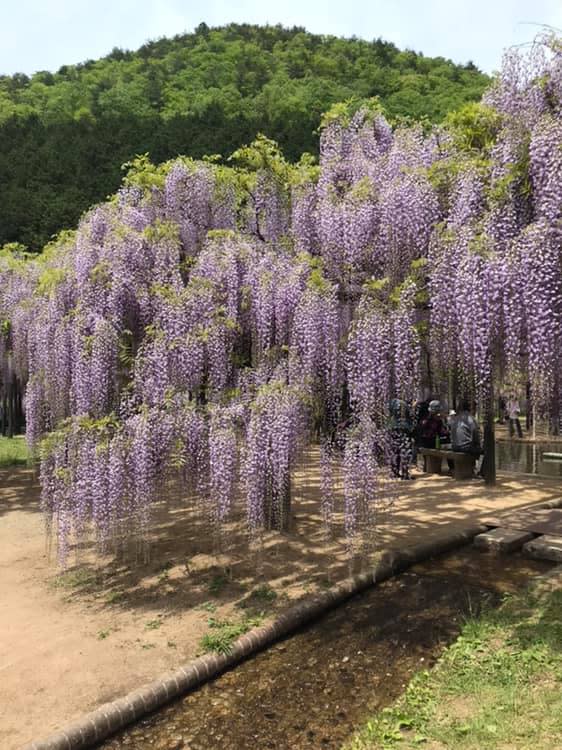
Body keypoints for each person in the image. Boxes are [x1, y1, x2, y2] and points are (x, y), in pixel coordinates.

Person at [450, 400, 482, 470]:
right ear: (469, 408)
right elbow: (475, 432)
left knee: (474, 446)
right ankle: (479, 470)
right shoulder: (470, 418)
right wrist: (478, 444)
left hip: (454, 447)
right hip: (465, 448)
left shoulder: (455, 418)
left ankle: (471, 467)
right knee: (483, 451)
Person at [388, 398, 414, 480]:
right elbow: (410, 417)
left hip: (393, 427)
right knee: (405, 451)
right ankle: (405, 473)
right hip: (404, 428)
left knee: (394, 451)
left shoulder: (392, 402)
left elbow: (390, 413)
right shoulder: (405, 404)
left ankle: (394, 473)